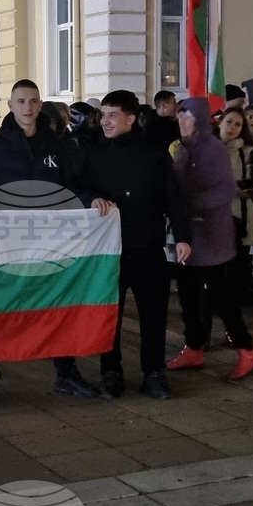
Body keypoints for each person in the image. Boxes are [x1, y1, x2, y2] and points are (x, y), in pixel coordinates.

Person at [0, 79, 99, 405]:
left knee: (58, 306)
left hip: (50, 244)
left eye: (33, 101)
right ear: (11, 106)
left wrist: (92, 200)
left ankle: (66, 373)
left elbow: (72, 187)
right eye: (21, 101)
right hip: (6, 245)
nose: (28, 107)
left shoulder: (58, 147)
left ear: (41, 106)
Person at [81, 90, 191, 399]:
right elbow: (77, 185)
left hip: (146, 246)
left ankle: (153, 373)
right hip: (108, 252)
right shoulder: (93, 153)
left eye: (112, 115)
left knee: (153, 314)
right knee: (109, 315)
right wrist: (91, 197)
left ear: (131, 118)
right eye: (103, 115)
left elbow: (173, 197)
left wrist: (183, 237)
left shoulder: (154, 153)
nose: (105, 121)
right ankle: (111, 371)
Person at [165, 97, 253, 380]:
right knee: (187, 296)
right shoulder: (185, 149)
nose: (182, 122)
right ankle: (193, 347)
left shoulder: (213, 149)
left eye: (188, 117)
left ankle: (248, 351)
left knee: (222, 298)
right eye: (180, 117)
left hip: (212, 236)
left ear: (201, 120)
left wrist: (187, 202)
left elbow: (224, 190)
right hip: (187, 235)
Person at [217, 108, 253, 306]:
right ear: (220, 122)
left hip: (239, 215)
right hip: (213, 217)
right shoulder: (207, 149)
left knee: (239, 262)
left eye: (238, 124)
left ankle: (237, 299)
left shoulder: (248, 151)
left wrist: (225, 188)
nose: (232, 127)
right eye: (229, 121)